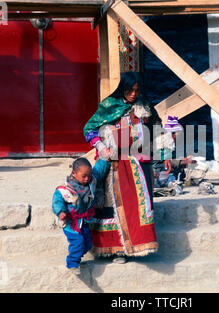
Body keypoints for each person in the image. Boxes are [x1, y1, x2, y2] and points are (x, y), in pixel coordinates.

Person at [83, 72, 168, 263]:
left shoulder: (145, 105)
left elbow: (157, 129)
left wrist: (162, 153)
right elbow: (89, 128)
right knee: (113, 205)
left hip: (140, 163)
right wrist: (102, 146)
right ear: (123, 88)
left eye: (137, 90)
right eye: (130, 90)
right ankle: (115, 249)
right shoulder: (110, 105)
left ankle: (137, 245)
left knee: (138, 206)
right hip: (115, 162)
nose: (133, 94)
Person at [52, 157, 110, 275]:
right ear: (74, 173)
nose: (87, 178)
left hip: (84, 221)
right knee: (78, 241)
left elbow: (98, 171)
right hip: (71, 222)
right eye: (83, 176)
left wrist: (104, 159)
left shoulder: (91, 181)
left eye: (88, 175)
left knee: (88, 243)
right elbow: (57, 201)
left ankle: (77, 253)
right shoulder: (65, 188)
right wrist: (61, 212)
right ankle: (72, 264)